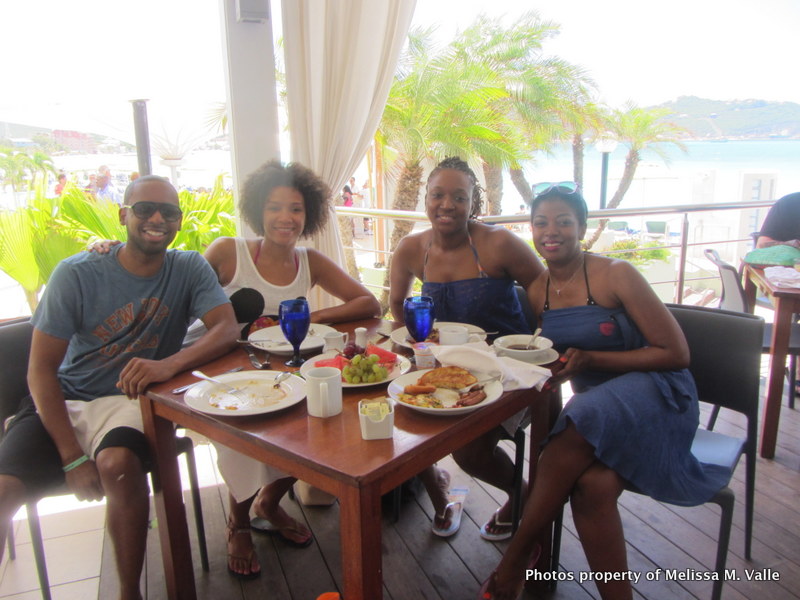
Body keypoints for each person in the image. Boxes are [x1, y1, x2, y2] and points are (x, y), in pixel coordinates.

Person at [481, 183, 731, 600]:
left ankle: (513, 563)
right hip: (601, 413)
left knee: (585, 414)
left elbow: (676, 353)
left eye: (564, 221)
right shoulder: (538, 290)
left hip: (660, 398)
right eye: (541, 222)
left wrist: (595, 362)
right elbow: (551, 355)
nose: (551, 231)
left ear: (582, 226)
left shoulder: (615, 274)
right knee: (591, 486)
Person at [0, 175, 238, 600]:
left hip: (127, 401)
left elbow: (225, 329)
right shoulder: (77, 273)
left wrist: (169, 364)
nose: (157, 219)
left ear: (180, 221)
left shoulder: (187, 268)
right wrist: (72, 459)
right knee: (2, 490)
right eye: (145, 209)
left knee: (118, 466)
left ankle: (129, 592)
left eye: (169, 212)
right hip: (63, 398)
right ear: (124, 215)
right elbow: (40, 371)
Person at [185, 160, 381, 578]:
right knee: (240, 436)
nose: (285, 218)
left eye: (296, 209)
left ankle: (269, 502)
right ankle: (238, 523)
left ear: (308, 215)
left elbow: (369, 304)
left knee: (322, 419)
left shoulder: (309, 260)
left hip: (282, 373)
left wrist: (307, 318)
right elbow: (182, 298)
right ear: (259, 210)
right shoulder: (228, 252)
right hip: (223, 378)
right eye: (275, 207)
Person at [389, 156, 544, 539]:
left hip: (505, 373)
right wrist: (408, 341)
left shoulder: (500, 244)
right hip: (444, 369)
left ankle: (519, 494)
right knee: (400, 421)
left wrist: (541, 342)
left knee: (469, 452)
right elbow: (397, 306)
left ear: (474, 203)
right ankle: (440, 497)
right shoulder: (411, 248)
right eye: (438, 195)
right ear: (425, 199)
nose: (447, 205)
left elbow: (546, 293)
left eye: (459, 197)